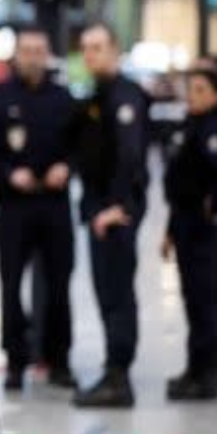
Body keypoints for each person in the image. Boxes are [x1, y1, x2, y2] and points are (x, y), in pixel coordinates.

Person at [0, 25, 78, 390]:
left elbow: (84, 146)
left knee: (59, 285)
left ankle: (58, 360)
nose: (33, 57)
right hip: (14, 207)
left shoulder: (64, 98)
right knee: (11, 286)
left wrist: (68, 166)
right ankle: (16, 360)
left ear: (47, 55)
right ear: (17, 55)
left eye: (39, 50)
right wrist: (7, 173)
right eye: (26, 50)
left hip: (55, 206)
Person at [70, 22, 150, 408]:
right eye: (86, 48)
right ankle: (114, 370)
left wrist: (116, 208)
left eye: (98, 47)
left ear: (115, 50)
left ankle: (119, 377)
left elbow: (130, 157)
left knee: (117, 293)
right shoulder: (97, 96)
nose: (91, 54)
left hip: (115, 214)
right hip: (99, 210)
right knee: (106, 292)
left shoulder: (125, 96)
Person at [161, 68, 217, 400]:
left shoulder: (214, 129)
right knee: (192, 300)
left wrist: (212, 209)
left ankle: (209, 373)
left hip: (204, 230)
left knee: (205, 301)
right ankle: (194, 368)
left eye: (201, 90)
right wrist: (170, 230)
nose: (193, 95)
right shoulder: (189, 125)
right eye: (191, 89)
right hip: (184, 223)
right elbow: (178, 183)